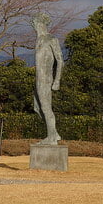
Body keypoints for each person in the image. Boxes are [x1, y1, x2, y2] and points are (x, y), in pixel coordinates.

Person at [32, 11, 63, 145]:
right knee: (37, 108)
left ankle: (52, 138)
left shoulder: (51, 39)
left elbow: (60, 60)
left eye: (35, 23)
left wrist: (57, 80)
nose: (34, 25)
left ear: (40, 23)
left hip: (46, 79)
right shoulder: (38, 40)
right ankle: (53, 133)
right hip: (38, 80)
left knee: (45, 108)